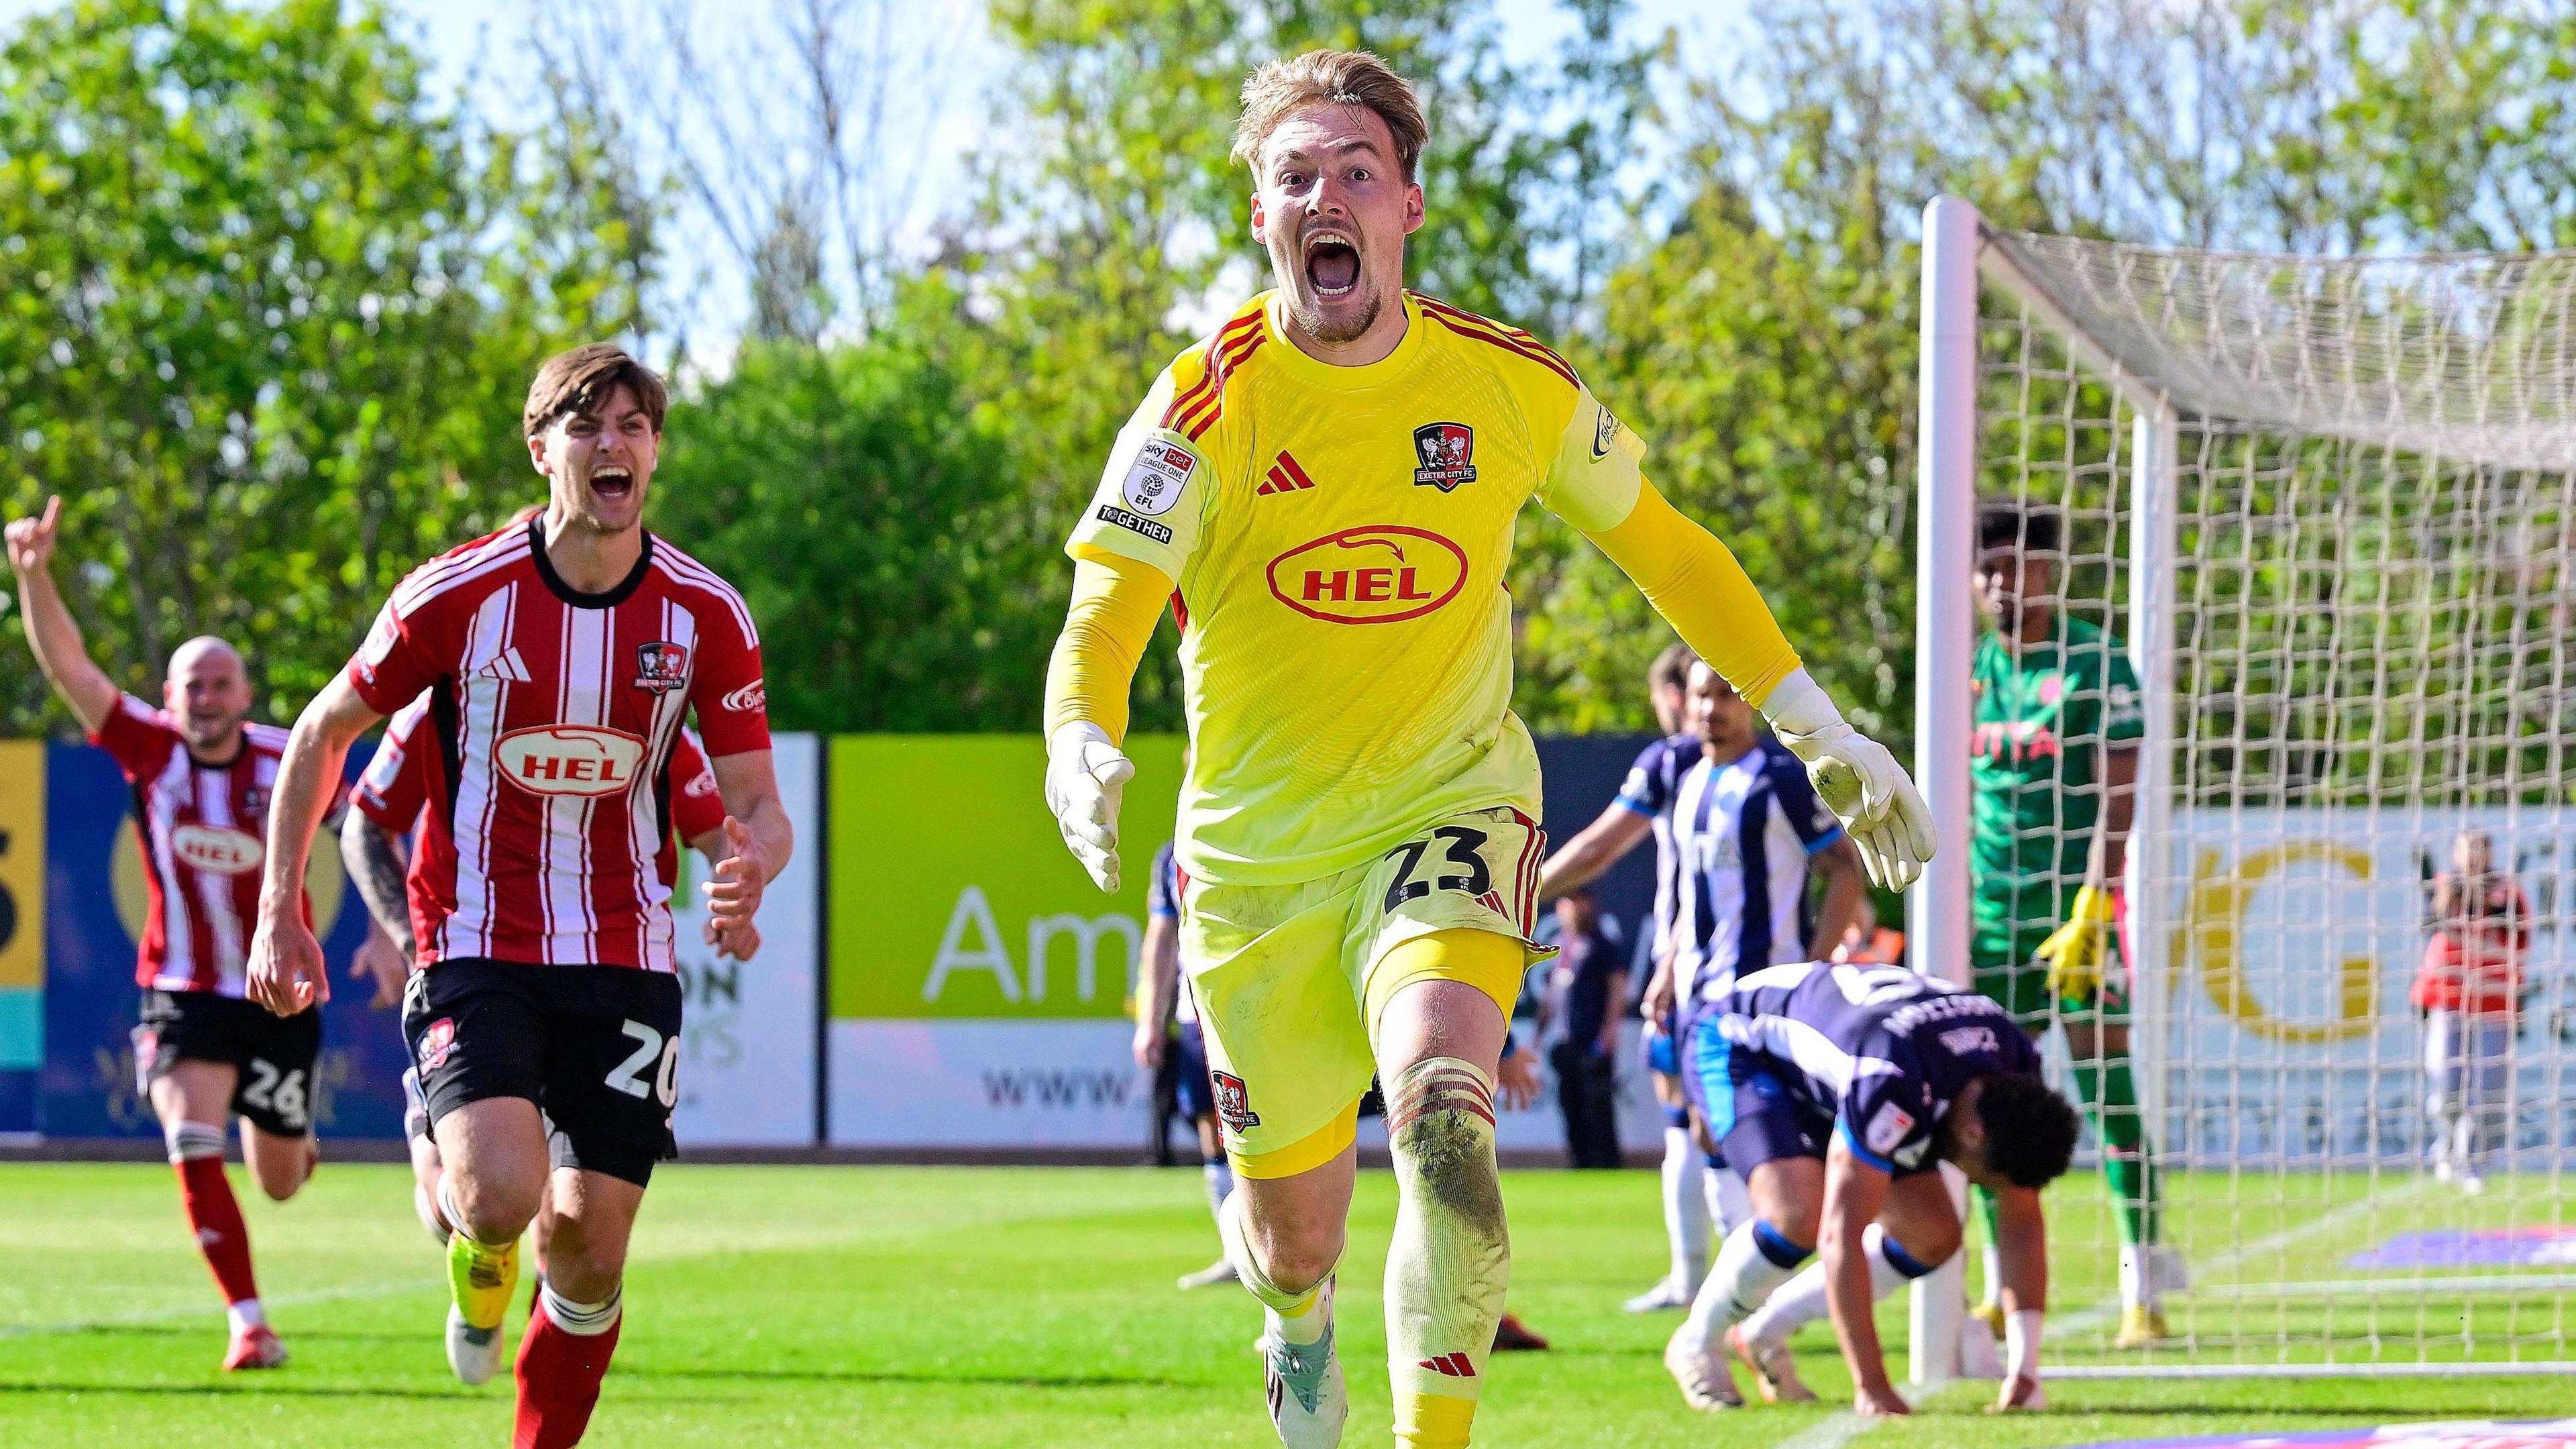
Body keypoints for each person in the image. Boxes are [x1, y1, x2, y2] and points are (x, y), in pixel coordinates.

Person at [1037, 51, 1931, 1449]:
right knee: (1292, 1245)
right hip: (1257, 867)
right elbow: (1106, 613)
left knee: (1449, 1122)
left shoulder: (1504, 386)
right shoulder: (1201, 406)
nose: (1323, 194)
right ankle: (1297, 1331)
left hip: (1449, 810)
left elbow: (1671, 552)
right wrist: (1076, 736)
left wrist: (1819, 724)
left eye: (1353, 172)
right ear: (1260, 213)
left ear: (1406, 206)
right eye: (1293, 176)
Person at [245, 343, 792, 1449]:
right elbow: (320, 735)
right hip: (477, 944)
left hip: (627, 958)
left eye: (636, 427)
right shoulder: (457, 595)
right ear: (543, 450)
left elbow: (757, 805)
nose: (615, 446)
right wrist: (278, 909)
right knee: (498, 1196)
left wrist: (750, 869)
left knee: (590, 1250)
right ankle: (466, 1221)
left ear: (653, 455)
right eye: (589, 426)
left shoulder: (705, 614)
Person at [5, 496, 319, 1372]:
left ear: (245, 694)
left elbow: (369, 808)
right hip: (180, 987)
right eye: (192, 687)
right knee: (189, 1139)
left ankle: (293, 1148)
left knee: (281, 1183)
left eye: (222, 684)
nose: (207, 700)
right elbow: (72, 668)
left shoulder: (285, 756)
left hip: (275, 991)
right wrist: (33, 575)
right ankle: (249, 1320)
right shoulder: (151, 750)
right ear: (172, 697)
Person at [342, 681, 754, 1254]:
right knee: (493, 1201)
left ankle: (532, 1325)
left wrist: (731, 897)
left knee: (575, 1229)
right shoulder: (444, 703)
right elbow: (367, 823)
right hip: (478, 962)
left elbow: (716, 835)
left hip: (609, 973)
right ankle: (455, 1198)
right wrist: (401, 935)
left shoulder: (651, 721)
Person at [1663, 960, 2080, 1415]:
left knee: (1933, 1236)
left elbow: (2021, 1218)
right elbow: (1839, 1237)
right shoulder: (1891, 1082)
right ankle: (1696, 1342)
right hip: (1741, 1042)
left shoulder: (2015, 1067)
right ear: (1974, 1135)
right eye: (1988, 1180)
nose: (1988, 1190)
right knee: (1800, 1214)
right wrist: (1873, 1385)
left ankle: (1763, 1330)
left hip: (1864, 1064)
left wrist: (2025, 1374)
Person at [1970, 500, 2180, 1347]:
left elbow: (2120, 790)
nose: (1999, 584)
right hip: (1988, 919)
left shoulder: (2096, 661)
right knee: (1987, 1107)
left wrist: (2099, 899)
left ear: (2050, 572)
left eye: (2015, 567)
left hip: (2073, 917)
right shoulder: (1969, 666)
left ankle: (2145, 1290)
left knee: (2109, 1094)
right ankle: (1998, 1289)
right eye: (1987, 570)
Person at [1536, 643, 1719, 1311]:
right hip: (1711, 971)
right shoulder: (1773, 767)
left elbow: (1597, 847)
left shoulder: (1673, 762)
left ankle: (1713, 1283)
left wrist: (1518, 895)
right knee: (1694, 1125)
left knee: (1704, 1127)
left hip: (1707, 975)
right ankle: (1710, 1283)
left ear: (1670, 696)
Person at [1134, 834, 1241, 1289]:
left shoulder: (1264, 826)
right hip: (1199, 1014)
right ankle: (1237, 1254)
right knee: (1212, 1131)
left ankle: (1286, 1258)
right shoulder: (1174, 854)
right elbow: (1161, 941)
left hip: (1262, 1008)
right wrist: (1149, 1021)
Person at [2415, 829, 2528, 1194]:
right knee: (2446, 1080)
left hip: (2493, 1003)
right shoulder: (2446, 887)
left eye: (2481, 849)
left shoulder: (2507, 891)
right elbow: (2431, 927)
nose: (2475, 857)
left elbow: (2518, 934)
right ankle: (2447, 1149)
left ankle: (2476, 1162)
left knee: (2489, 1088)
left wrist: (2489, 906)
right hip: (2450, 999)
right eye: (2467, 849)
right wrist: (2447, 898)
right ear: (2456, 853)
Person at [1539, 888, 1625, 1169]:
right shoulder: (1561, 947)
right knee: (1570, 1105)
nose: (1571, 909)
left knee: (1597, 1108)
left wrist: (1608, 1035)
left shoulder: (1601, 944)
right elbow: (1553, 995)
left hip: (1592, 1041)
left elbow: (1617, 991)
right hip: (1567, 1042)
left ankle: (1605, 1163)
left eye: (1577, 902)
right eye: (1567, 903)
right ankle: (1579, 1161)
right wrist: (1540, 1033)